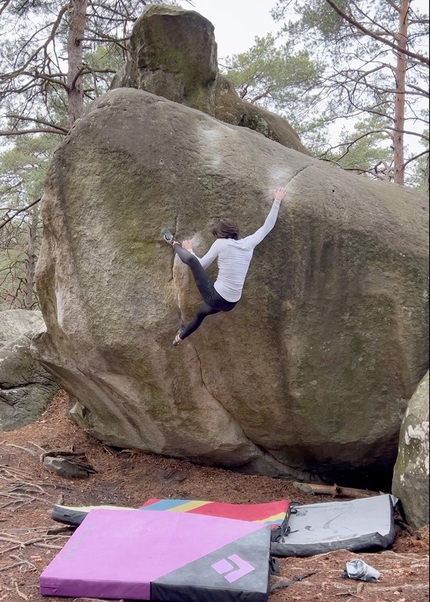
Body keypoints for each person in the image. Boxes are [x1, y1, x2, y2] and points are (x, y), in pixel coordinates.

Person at [162, 187, 287, 345]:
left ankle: (173, 242)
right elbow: (266, 228)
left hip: (216, 296)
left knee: (192, 261)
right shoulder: (249, 243)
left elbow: (201, 265)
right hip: (231, 303)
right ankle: (178, 338)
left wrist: (190, 251)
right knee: (201, 313)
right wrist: (277, 201)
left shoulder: (221, 243)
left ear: (220, 235)